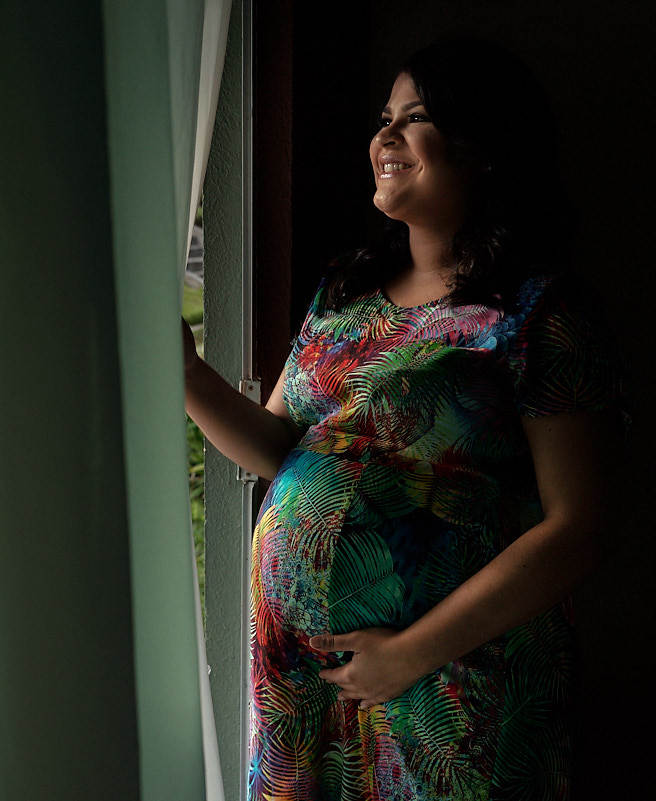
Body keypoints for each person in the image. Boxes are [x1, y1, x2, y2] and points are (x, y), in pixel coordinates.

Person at [183, 37, 627, 800]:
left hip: (451, 692)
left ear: (481, 146)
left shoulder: (539, 314)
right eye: (383, 117)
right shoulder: (345, 291)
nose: (384, 138)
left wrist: (411, 654)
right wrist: (182, 371)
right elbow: (278, 446)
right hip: (306, 694)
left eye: (414, 118)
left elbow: (578, 527)